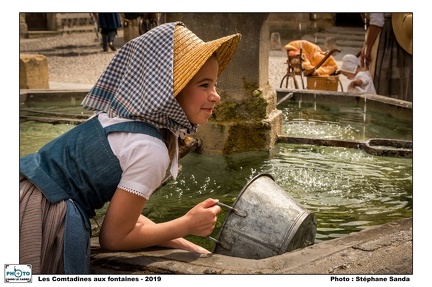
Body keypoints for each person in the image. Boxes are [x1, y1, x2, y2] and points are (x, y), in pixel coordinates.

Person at [19, 21, 241, 274]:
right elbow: (114, 238)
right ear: (168, 91)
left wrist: (188, 245)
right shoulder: (150, 149)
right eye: (204, 85)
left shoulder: (117, 118)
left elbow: (126, 216)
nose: (216, 95)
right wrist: (186, 224)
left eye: (215, 84)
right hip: (42, 215)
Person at [360, 13, 412, 101]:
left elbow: (377, 21)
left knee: (384, 84)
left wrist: (367, 48)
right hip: (404, 36)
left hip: (387, 36)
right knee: (402, 82)